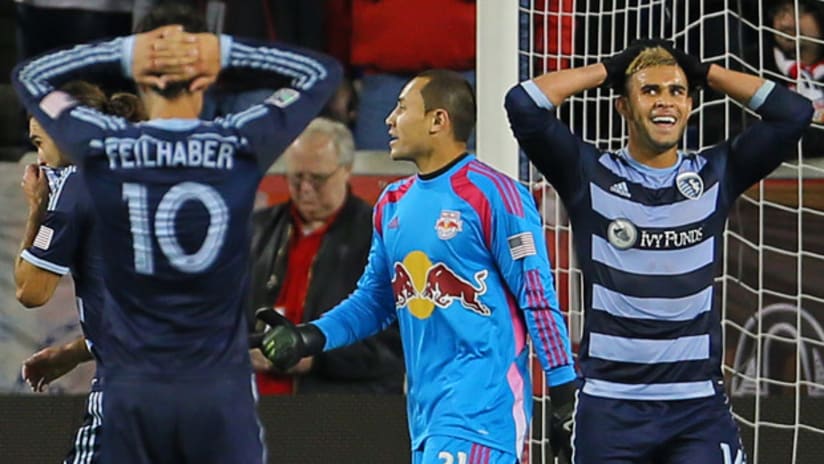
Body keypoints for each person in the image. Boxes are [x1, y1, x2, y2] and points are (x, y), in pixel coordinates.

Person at [11, 9, 342, 464]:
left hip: (134, 389)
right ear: (205, 79)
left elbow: (30, 76)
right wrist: (221, 51)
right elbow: (322, 72)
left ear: (141, 77)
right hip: (220, 396)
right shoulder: (238, 144)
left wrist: (125, 51)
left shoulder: (103, 148)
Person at [504, 39, 813, 463]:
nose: (665, 102)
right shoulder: (586, 175)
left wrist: (705, 73)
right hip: (609, 405)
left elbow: (794, 114)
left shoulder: (714, 175)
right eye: (649, 91)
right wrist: (609, 67)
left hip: (697, 407)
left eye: (676, 91)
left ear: (689, 106)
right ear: (623, 107)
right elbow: (523, 104)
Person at [257, 69, 577, 463]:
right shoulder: (393, 203)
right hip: (425, 418)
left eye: (402, 108)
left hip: (481, 415)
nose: (389, 119)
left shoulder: (496, 195)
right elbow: (373, 302)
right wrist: (309, 337)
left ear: (438, 120)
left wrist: (565, 397)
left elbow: (538, 298)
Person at [14, 81, 144, 464]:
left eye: (40, 143)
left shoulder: (79, 180)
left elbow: (31, 291)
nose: (39, 160)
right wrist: (77, 351)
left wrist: (38, 209)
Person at [249, 117, 404, 395]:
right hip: (254, 400)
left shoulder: (381, 237)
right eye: (296, 178)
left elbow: (395, 344)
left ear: (346, 170)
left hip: (341, 409)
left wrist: (316, 357)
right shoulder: (256, 232)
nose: (305, 189)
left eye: (317, 179)